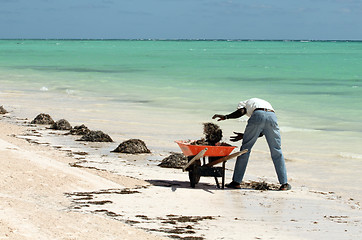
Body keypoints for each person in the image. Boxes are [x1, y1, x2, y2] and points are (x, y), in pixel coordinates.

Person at [212, 98, 291, 191]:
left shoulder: (244, 104)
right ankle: (284, 184)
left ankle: (236, 182)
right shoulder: (260, 103)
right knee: (276, 150)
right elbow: (263, 131)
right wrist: (245, 135)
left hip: (257, 115)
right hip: (272, 116)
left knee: (245, 149)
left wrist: (226, 117)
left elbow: (241, 112)